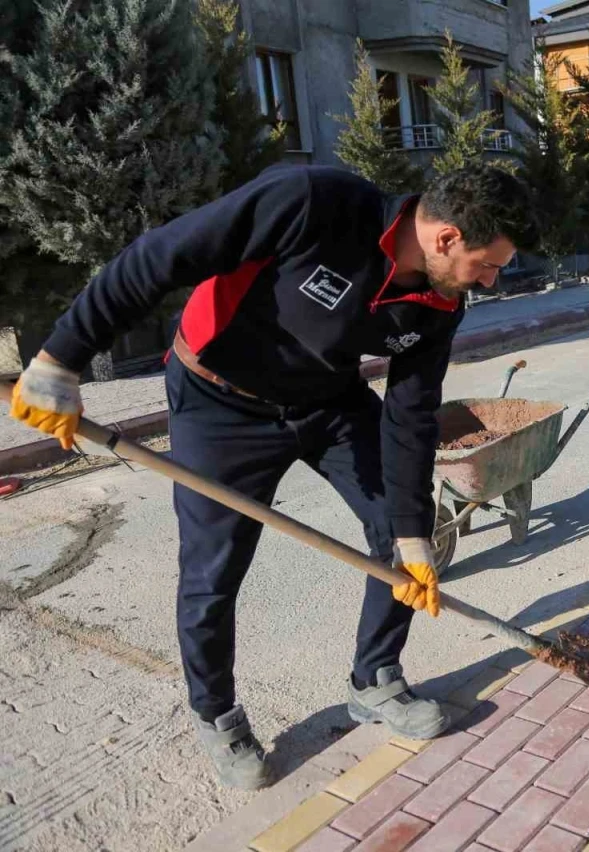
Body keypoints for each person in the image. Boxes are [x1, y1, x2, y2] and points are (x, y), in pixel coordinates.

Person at [8, 163, 538, 789]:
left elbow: (410, 415)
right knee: (213, 570)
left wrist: (413, 535)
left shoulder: (439, 301)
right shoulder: (315, 204)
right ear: (446, 237)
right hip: (219, 401)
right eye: (488, 262)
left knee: (401, 533)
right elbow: (159, 257)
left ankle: (376, 678)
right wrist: (59, 360)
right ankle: (216, 714)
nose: (491, 278)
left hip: (328, 401)